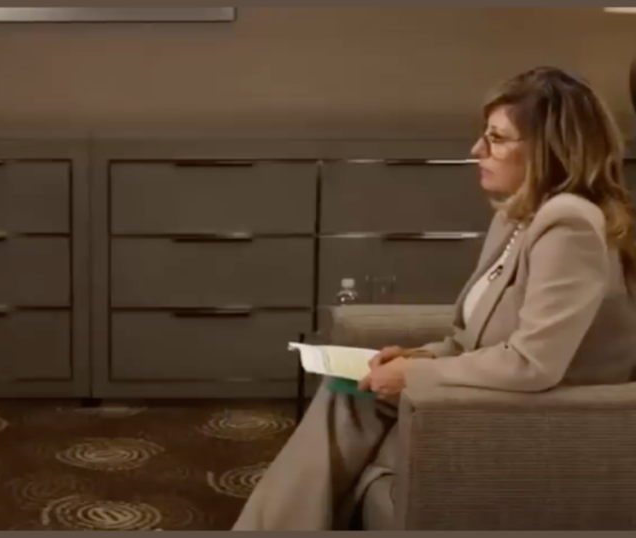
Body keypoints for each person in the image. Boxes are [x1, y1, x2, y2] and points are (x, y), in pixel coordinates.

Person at [232, 66, 636, 530]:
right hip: (501, 395)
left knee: (352, 403)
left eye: (497, 139)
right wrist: (421, 355)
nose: (477, 150)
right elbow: (477, 339)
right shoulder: (518, 217)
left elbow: (533, 364)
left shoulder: (569, 224)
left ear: (550, 148)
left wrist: (414, 374)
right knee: (348, 389)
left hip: (537, 417)